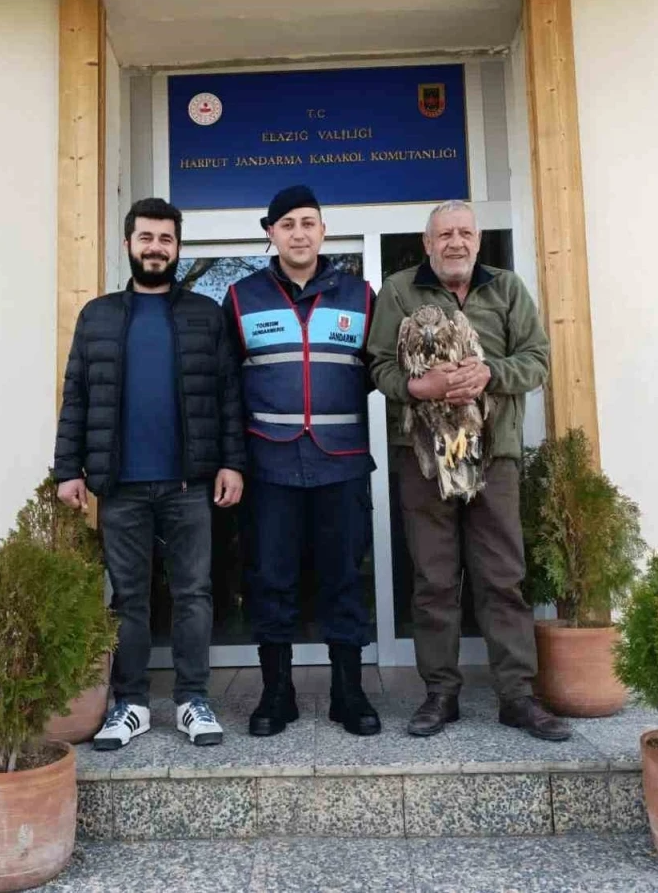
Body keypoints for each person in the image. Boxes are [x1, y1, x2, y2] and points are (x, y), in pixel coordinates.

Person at [367, 199, 570, 741]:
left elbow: (537, 360)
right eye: (444, 235)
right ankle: (441, 694)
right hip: (424, 457)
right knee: (434, 579)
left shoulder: (507, 289)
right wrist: (420, 387)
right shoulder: (398, 291)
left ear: (477, 240)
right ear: (427, 243)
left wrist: (489, 374)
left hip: (493, 454)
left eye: (464, 233)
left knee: (503, 577)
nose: (455, 243)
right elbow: (379, 366)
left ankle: (517, 696)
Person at [53, 197, 246, 750]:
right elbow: (77, 397)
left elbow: (229, 396)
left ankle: (192, 700)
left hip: (189, 484)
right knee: (128, 598)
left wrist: (232, 462)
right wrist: (68, 469)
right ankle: (131, 703)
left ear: (177, 247)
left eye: (166, 239)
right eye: (147, 238)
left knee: (194, 594)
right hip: (122, 486)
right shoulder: (98, 316)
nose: (156, 248)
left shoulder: (205, 315)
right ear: (128, 245)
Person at [222, 185, 381, 737]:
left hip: (342, 464)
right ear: (271, 233)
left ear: (323, 231)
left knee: (344, 579)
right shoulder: (240, 297)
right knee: (271, 580)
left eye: (308, 223)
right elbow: (226, 389)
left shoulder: (361, 296)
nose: (299, 233)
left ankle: (348, 693)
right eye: (287, 224)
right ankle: (277, 693)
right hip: (270, 466)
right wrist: (231, 460)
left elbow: (382, 372)